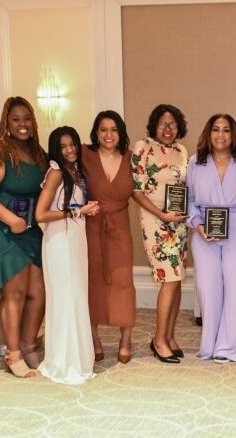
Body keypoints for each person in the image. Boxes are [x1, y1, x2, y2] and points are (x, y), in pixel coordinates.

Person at [0, 96, 46, 378]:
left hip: (27, 227)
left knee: (38, 291)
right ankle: (12, 354)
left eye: (27, 118)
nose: (22, 124)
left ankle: (28, 345)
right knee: (15, 287)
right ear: (6, 122)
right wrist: (11, 219)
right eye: (16, 119)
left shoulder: (37, 151)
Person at [187, 114, 236, 363]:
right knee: (208, 287)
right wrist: (197, 223)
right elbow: (189, 199)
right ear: (208, 133)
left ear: (233, 134)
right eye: (216, 129)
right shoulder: (196, 162)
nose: (220, 134)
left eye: (226, 130)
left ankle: (230, 347)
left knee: (235, 285)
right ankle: (211, 344)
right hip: (205, 229)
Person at [35, 127, 99, 384]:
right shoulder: (56, 173)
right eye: (63, 146)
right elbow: (41, 214)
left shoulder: (76, 171)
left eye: (72, 144)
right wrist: (75, 212)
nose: (69, 150)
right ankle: (64, 363)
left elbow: (76, 207)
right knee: (65, 298)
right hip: (59, 241)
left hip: (75, 238)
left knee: (76, 297)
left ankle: (77, 358)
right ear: (55, 150)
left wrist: (85, 210)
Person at [132, 104, 189, 364]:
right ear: (154, 125)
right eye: (163, 124)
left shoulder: (181, 150)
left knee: (177, 280)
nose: (168, 129)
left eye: (173, 124)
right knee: (169, 278)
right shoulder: (142, 147)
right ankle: (158, 340)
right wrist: (162, 215)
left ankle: (169, 335)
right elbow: (137, 190)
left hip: (178, 223)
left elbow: (184, 186)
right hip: (156, 222)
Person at [81, 110, 136, 364]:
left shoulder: (130, 158)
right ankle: (94, 338)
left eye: (114, 129)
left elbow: (145, 190)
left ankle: (126, 337)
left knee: (124, 281)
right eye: (103, 129)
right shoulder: (85, 155)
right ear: (96, 133)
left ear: (121, 132)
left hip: (120, 229)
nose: (108, 135)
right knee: (92, 282)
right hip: (91, 228)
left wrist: (165, 213)